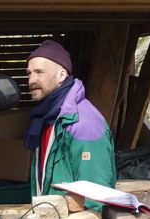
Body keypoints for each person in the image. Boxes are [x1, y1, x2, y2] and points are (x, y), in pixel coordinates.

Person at [24, 39, 115, 207]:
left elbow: (95, 200)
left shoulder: (83, 124)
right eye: (29, 73)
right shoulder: (46, 118)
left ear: (61, 75)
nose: (31, 80)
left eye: (39, 72)